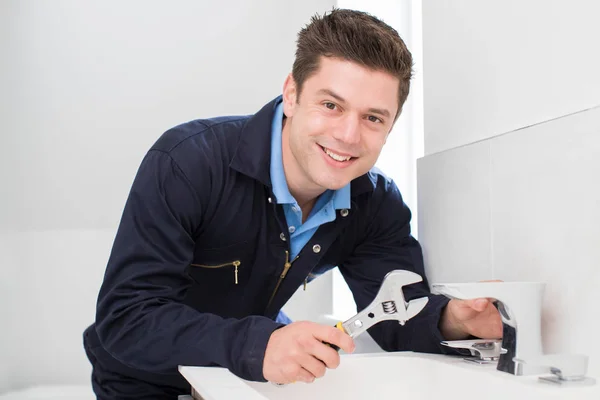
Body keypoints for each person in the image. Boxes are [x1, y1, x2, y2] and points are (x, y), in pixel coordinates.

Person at [83, 8, 502, 399]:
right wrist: (259, 344)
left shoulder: (376, 202)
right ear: (291, 94)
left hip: (241, 379)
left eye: (373, 117)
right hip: (142, 380)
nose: (349, 136)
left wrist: (455, 322)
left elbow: (397, 319)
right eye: (331, 105)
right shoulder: (188, 163)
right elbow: (126, 318)